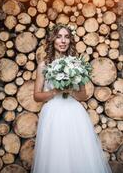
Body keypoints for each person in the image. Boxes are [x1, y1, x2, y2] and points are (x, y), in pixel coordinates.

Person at [31, 24, 112, 173]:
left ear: (70, 41)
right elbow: (37, 96)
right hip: (53, 114)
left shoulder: (76, 64)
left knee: (78, 154)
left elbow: (84, 94)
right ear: (52, 39)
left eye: (67, 37)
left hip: (74, 113)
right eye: (59, 37)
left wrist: (69, 91)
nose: (63, 41)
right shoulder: (44, 65)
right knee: (55, 155)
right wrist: (55, 91)